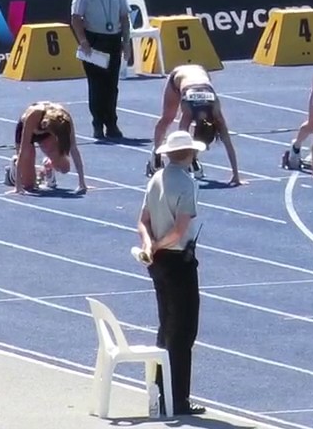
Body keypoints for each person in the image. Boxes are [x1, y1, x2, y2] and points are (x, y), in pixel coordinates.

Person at [135, 130, 205, 417]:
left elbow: (143, 221)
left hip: (158, 263)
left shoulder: (156, 179)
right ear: (190, 154)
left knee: (165, 326)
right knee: (183, 332)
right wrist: (162, 244)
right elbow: (178, 230)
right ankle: (177, 400)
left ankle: (159, 391)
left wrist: (150, 245)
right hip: (178, 261)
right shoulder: (186, 184)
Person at [70, 0, 131, 140]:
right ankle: (98, 124)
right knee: (97, 85)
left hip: (113, 39)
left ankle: (111, 123)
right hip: (94, 39)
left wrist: (126, 42)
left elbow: (124, 17)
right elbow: (76, 18)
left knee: (112, 85)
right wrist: (83, 40)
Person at [149, 64, 241, 186]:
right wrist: (182, 172)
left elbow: (228, 142)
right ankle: (156, 154)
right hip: (178, 75)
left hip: (201, 73)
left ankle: (192, 160)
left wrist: (236, 176)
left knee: (170, 121)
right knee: (168, 117)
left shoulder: (215, 111)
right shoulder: (189, 109)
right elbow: (181, 137)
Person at [4, 101, 86, 195]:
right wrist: (18, 186)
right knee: (29, 185)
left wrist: (82, 183)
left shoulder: (65, 118)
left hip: (47, 134)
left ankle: (47, 166)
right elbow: (24, 150)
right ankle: (13, 169)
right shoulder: (34, 114)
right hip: (26, 131)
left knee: (64, 168)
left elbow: (73, 148)